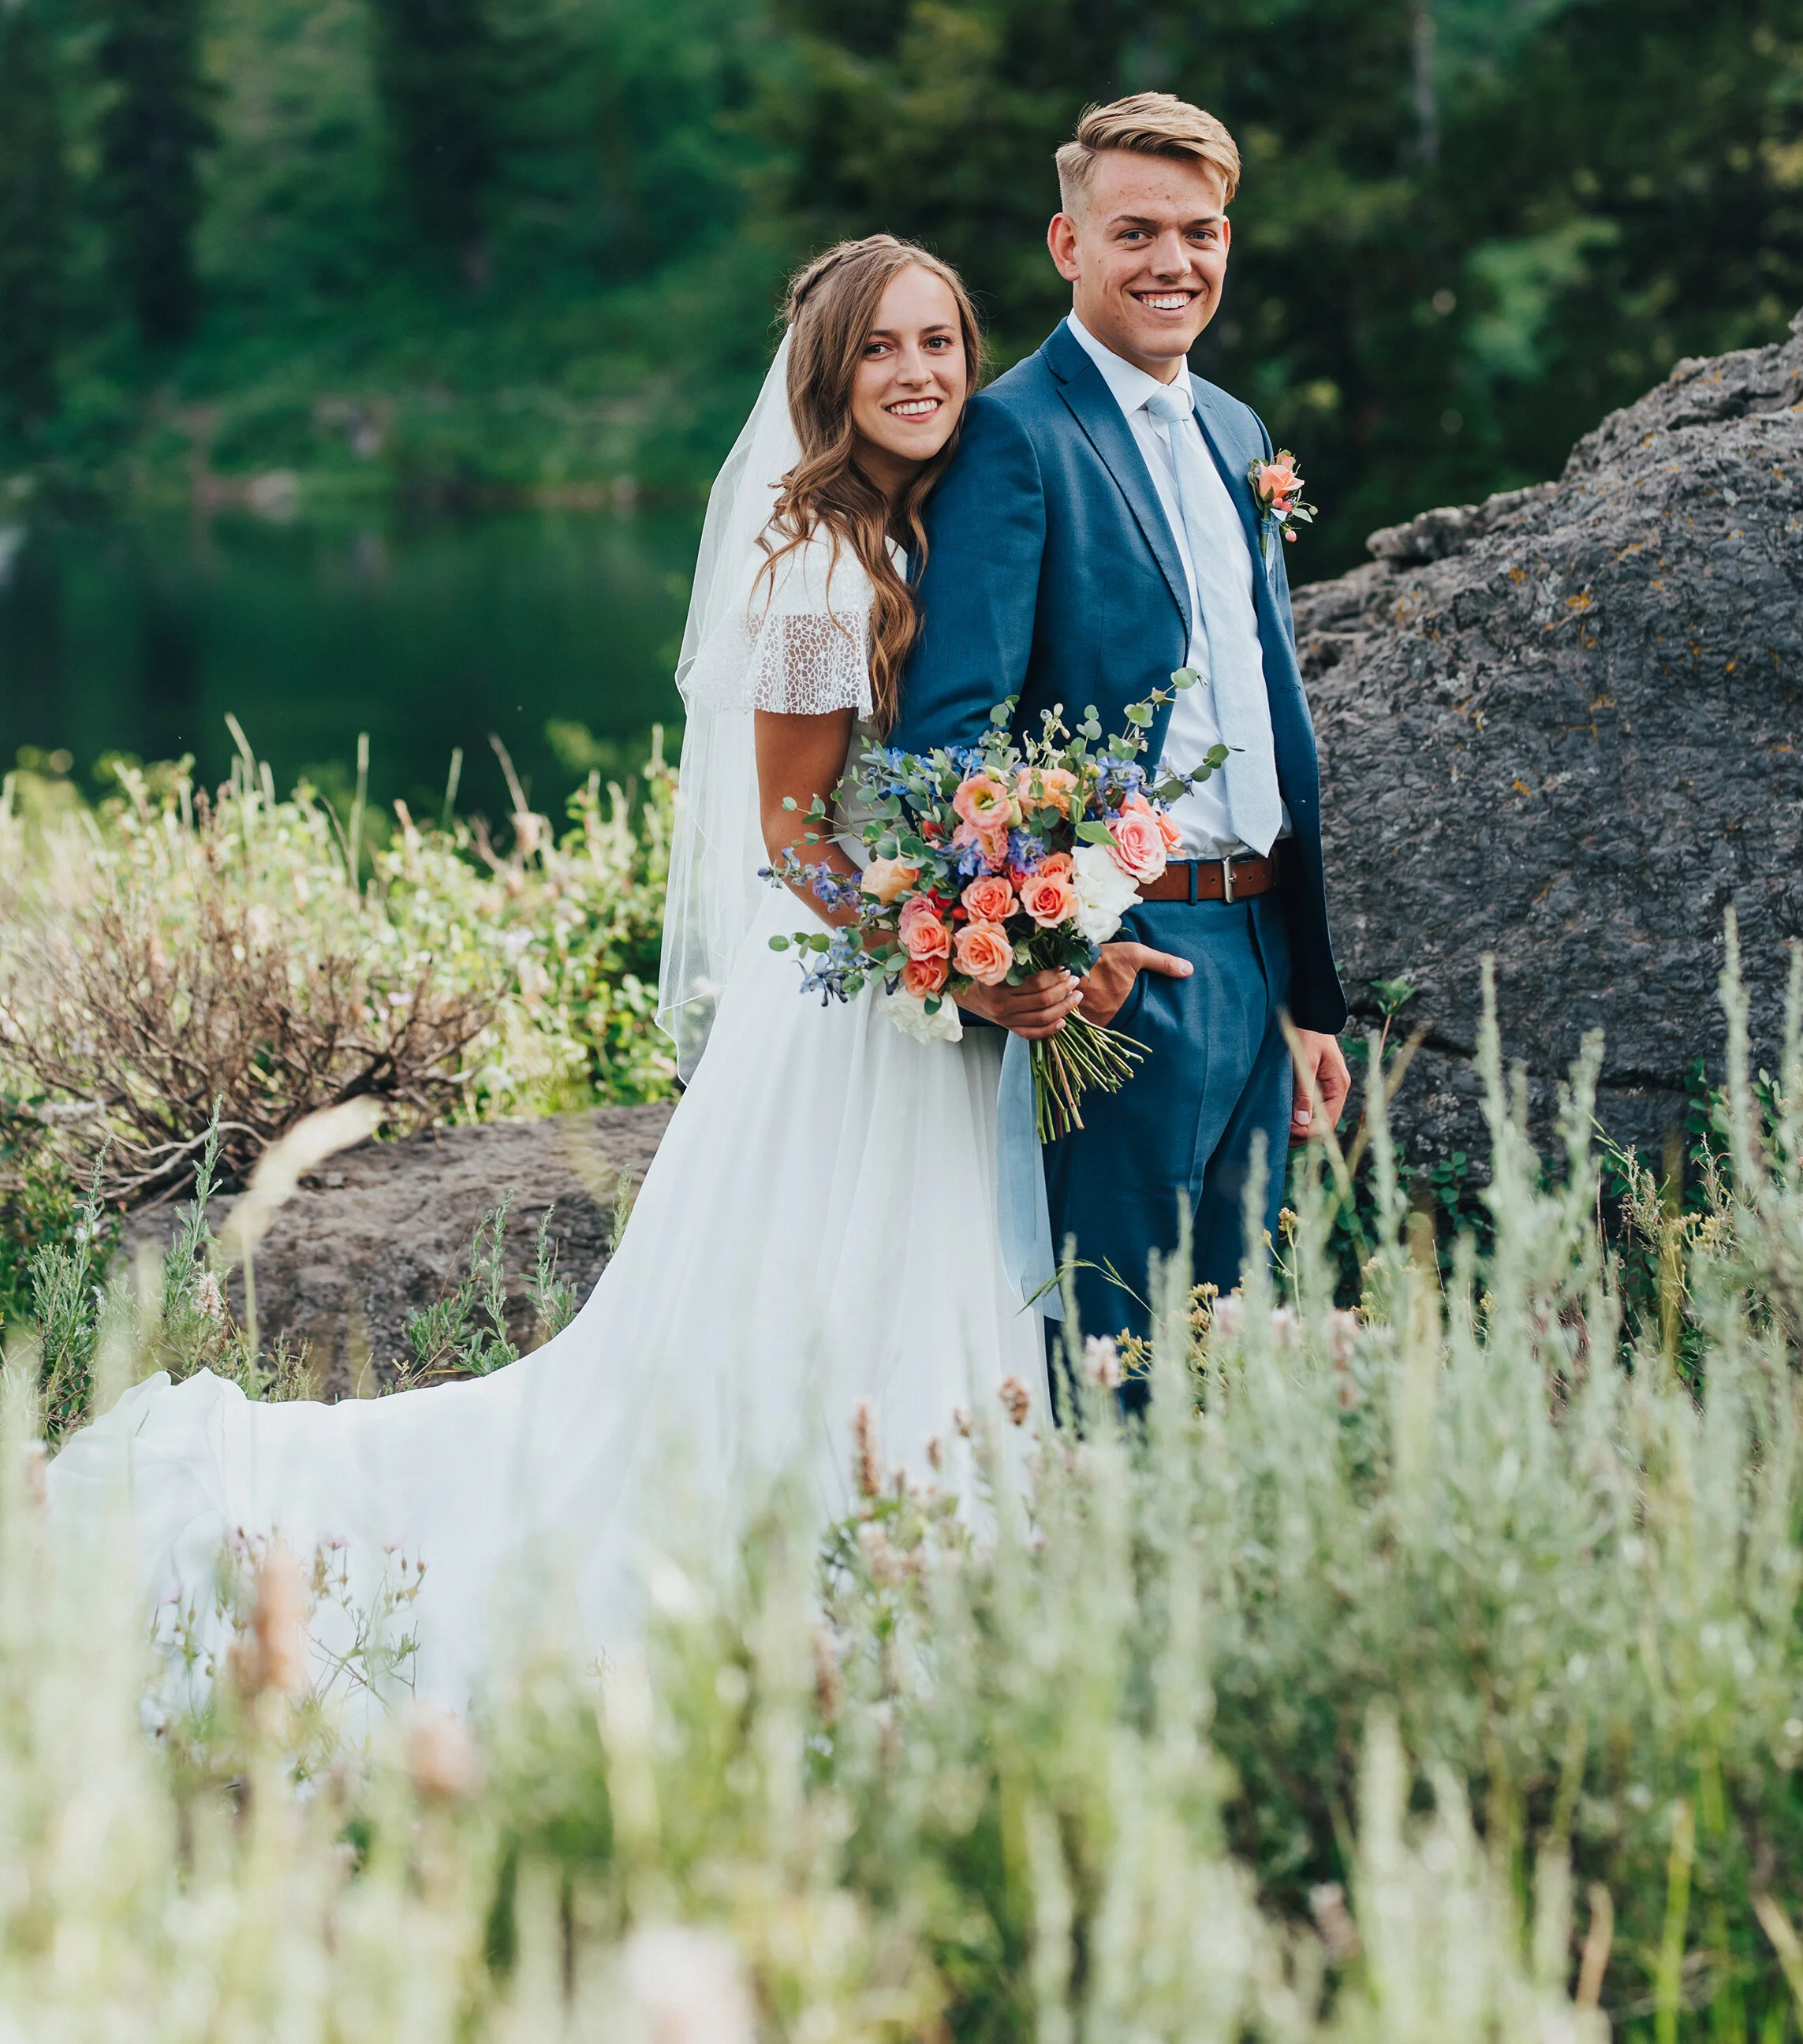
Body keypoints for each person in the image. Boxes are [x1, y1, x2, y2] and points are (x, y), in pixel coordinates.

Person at [50, 236, 1052, 1706]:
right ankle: (806, 1592)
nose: (918, 374)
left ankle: (926, 1573)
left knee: (901, 1290)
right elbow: (791, 836)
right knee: (772, 1329)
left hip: (919, 996)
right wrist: (939, 959)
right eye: (881, 351)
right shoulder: (823, 571)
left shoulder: (924, 538)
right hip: (853, 1011)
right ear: (827, 381)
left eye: (940, 343)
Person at [891, 95, 1352, 1375]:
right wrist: (1067, 942)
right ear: (1067, 243)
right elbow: (948, 733)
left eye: (1201, 232)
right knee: (1120, 1354)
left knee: (1235, 1342)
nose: (1173, 263)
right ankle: (1109, 1570)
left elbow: (1269, 709)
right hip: (1127, 964)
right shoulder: (1014, 435)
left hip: (1257, 952)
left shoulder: (1238, 431)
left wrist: (1306, 998)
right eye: (1135, 231)